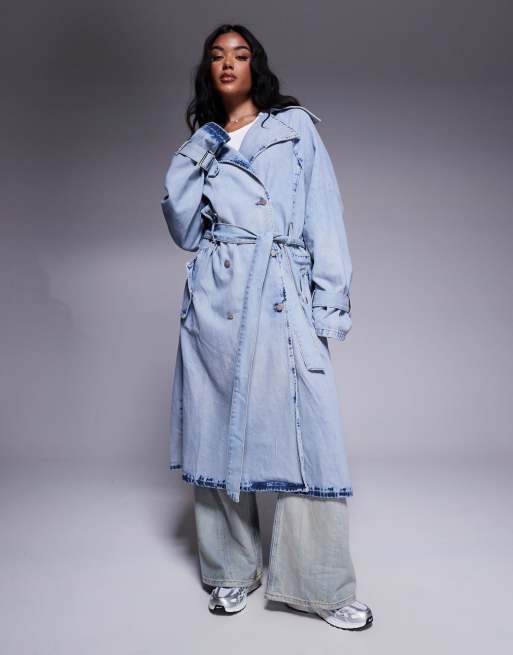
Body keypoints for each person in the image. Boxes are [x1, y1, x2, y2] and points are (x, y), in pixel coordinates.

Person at [160, 24, 373, 631]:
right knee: (215, 426)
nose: (229, 63)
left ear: (257, 65)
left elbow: (324, 216)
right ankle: (231, 570)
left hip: (280, 290)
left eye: (241, 54)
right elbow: (184, 229)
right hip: (217, 297)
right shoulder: (203, 143)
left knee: (310, 435)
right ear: (208, 70)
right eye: (217, 56)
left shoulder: (294, 128)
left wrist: (328, 304)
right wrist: (199, 148)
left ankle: (319, 584)